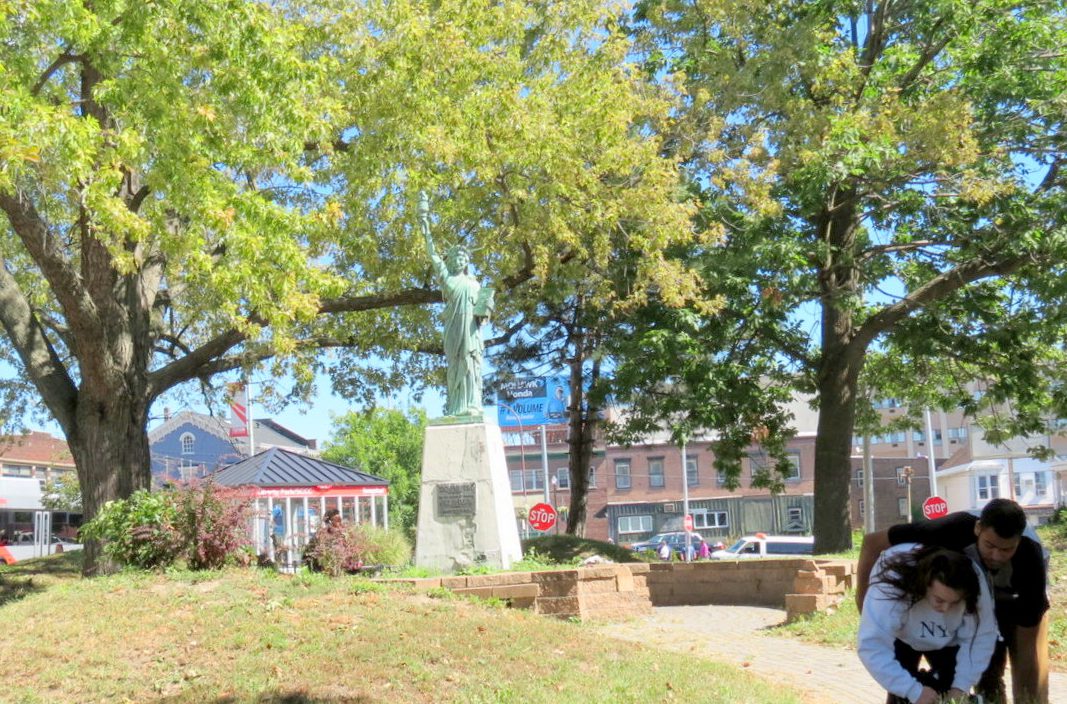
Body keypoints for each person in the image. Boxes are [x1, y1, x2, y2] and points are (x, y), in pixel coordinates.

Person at [857, 498, 1049, 703]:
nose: (996, 556)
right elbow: (872, 542)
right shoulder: (949, 530)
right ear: (978, 529)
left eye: (1006, 550)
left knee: (994, 675)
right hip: (936, 593)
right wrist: (865, 605)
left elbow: (1025, 643)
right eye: (990, 545)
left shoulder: (1030, 560)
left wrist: (1027, 698)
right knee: (905, 682)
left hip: (1007, 597)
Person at [859, 544, 997, 704]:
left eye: (955, 603)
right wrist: (912, 690)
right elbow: (872, 646)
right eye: (939, 600)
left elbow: (981, 637)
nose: (945, 609)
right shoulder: (891, 584)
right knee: (901, 697)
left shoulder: (974, 581)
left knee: (950, 692)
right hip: (902, 635)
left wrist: (960, 687)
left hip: (950, 640)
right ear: (924, 584)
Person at [419, 193, 492, 417]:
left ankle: (472, 404)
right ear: (450, 260)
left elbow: (484, 310)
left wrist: (487, 309)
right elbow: (433, 255)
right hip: (453, 328)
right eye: (456, 258)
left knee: (472, 364)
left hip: (471, 331)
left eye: (463, 259)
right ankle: (455, 406)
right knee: (455, 364)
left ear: (467, 262)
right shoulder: (448, 279)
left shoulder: (475, 284)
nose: (460, 261)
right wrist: (425, 224)